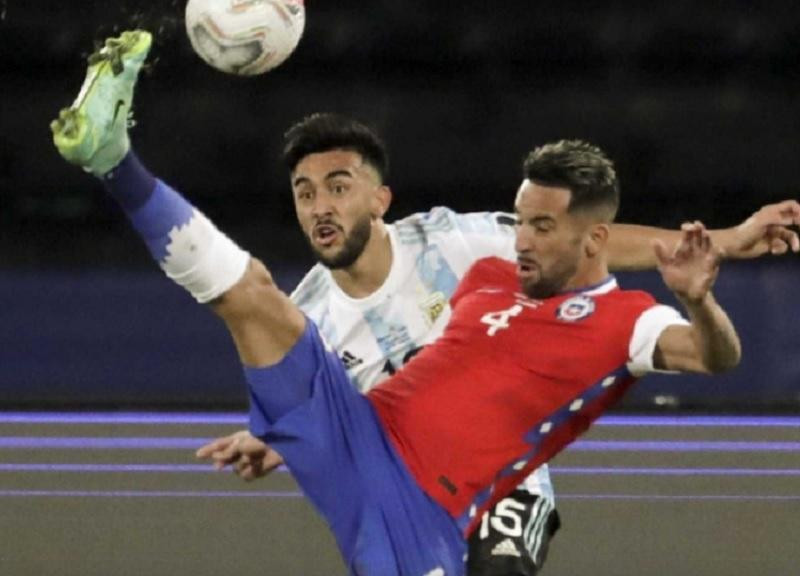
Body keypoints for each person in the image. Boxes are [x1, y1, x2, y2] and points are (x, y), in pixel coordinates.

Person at [50, 31, 796, 576]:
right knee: (251, 296)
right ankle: (114, 157)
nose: (319, 207)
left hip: (455, 498)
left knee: (499, 549)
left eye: (338, 187)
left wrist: (720, 247)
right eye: (304, 192)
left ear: (381, 198)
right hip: (371, 451)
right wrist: (279, 438)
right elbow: (384, 381)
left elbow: (618, 261)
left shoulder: (458, 247)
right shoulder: (392, 296)